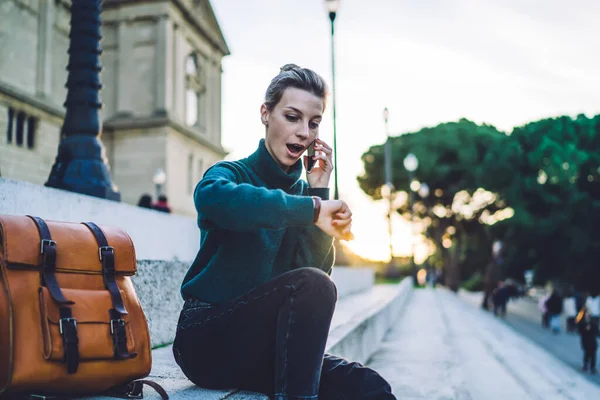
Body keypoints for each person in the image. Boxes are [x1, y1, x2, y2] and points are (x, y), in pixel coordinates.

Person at [172, 64, 396, 400]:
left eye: (313, 122)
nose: (304, 132)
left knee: (369, 387)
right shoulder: (230, 174)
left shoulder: (308, 200)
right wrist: (312, 209)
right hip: (206, 340)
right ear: (266, 113)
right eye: (292, 117)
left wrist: (318, 192)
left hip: (265, 347)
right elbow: (215, 201)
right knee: (314, 285)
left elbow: (313, 284)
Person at [576, 307, 599, 373]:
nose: (587, 315)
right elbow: (580, 331)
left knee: (593, 354)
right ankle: (585, 366)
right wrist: (585, 329)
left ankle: (592, 367)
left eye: (588, 314)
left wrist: (591, 329)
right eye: (586, 314)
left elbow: (597, 331)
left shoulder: (593, 322)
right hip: (585, 340)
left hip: (593, 341)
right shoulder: (581, 322)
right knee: (587, 354)